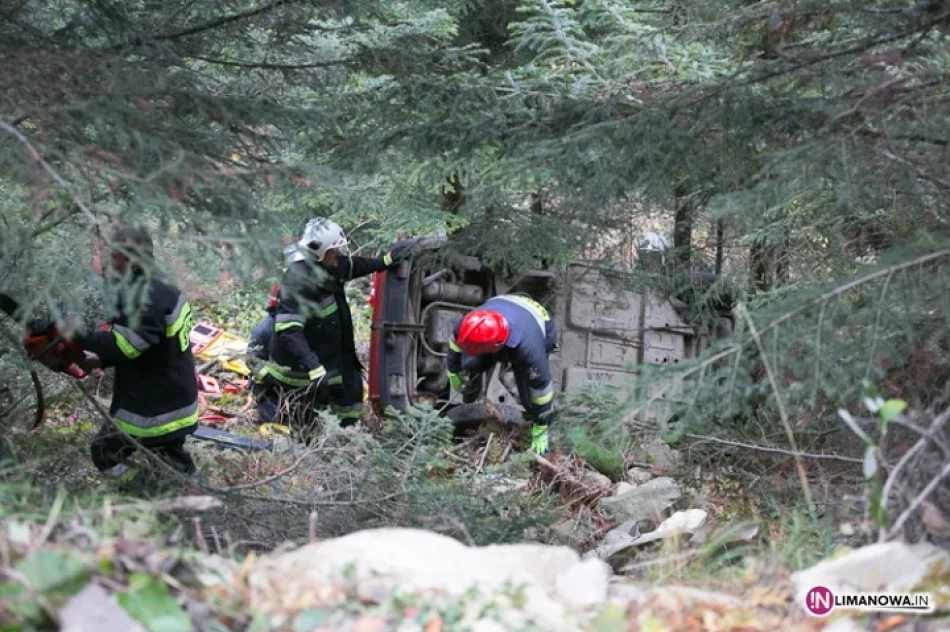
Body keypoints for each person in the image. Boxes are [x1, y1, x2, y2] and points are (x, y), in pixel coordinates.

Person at [74, 225, 199, 482]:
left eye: (116, 256)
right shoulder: (161, 286)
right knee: (170, 458)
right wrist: (101, 360)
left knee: (105, 452)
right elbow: (154, 343)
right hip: (175, 397)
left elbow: (128, 346)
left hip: (153, 405)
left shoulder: (145, 295)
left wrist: (77, 332)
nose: (111, 262)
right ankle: (182, 492)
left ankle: (140, 490)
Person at [260, 218, 409, 433]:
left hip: (331, 357)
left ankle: (348, 436)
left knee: (350, 394)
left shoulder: (327, 266)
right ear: (319, 253)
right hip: (302, 369)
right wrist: (312, 365)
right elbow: (288, 331)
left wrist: (383, 262)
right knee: (304, 423)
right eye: (334, 251)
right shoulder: (298, 281)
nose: (339, 255)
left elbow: (351, 265)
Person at [445, 294, 558, 456]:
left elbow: (542, 389)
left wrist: (541, 424)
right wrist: (453, 371)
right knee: (470, 363)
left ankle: (538, 431)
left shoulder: (529, 348)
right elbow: (454, 344)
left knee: (530, 399)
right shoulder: (467, 325)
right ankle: (469, 397)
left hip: (537, 324)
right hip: (501, 311)